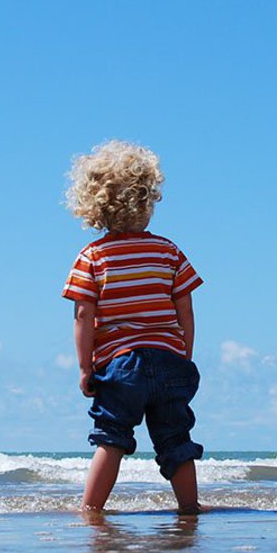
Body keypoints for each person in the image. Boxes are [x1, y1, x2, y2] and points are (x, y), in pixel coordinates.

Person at [62, 140, 204, 513]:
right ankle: (190, 509)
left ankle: (91, 511)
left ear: (95, 207)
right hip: (170, 361)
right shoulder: (168, 251)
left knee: (111, 439)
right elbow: (185, 308)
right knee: (176, 439)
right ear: (147, 201)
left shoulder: (92, 257)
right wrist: (183, 353)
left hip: (121, 366)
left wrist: (85, 368)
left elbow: (83, 316)